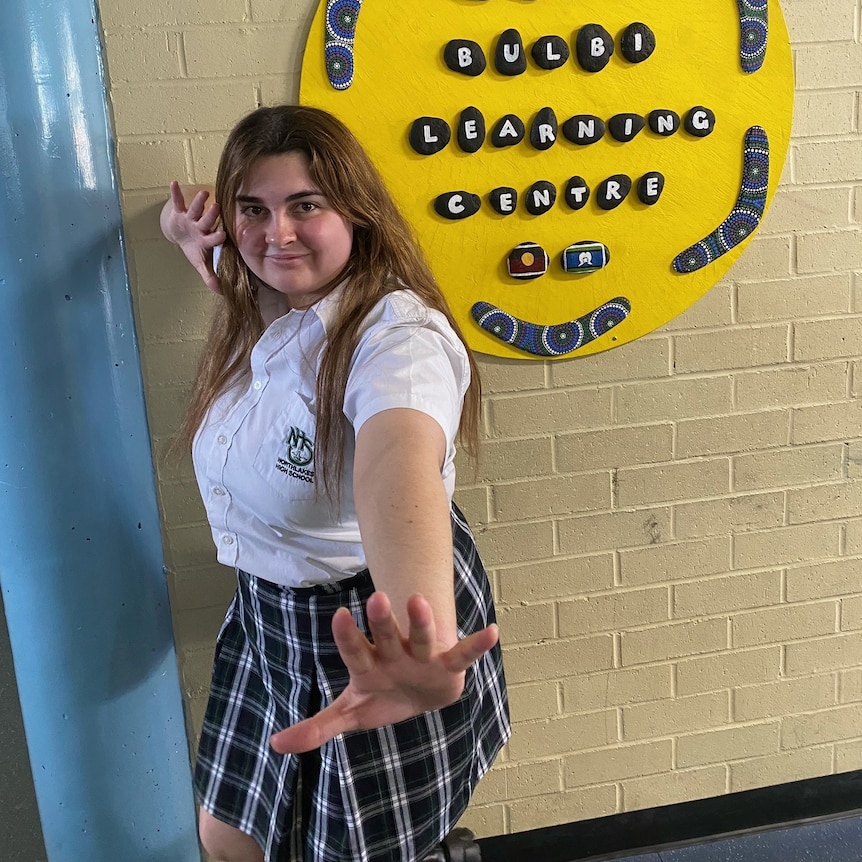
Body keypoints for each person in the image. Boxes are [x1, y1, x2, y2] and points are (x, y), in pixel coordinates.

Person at [160, 105, 510, 862]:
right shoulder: (265, 288)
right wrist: (187, 233)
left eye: (305, 206)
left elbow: (399, 463)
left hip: (368, 632)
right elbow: (202, 238)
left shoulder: (398, 339)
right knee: (225, 839)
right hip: (267, 621)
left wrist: (422, 634)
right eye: (253, 208)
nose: (275, 233)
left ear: (356, 211)